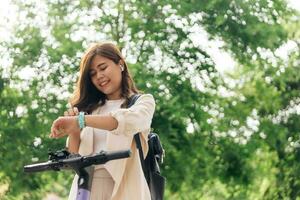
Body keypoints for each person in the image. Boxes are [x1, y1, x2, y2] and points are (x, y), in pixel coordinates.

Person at [49, 42, 154, 200]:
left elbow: (126, 122)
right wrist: (74, 130)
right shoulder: (90, 109)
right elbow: (73, 155)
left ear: (120, 64)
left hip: (126, 188)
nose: (99, 76)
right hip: (86, 188)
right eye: (92, 73)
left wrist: (81, 121)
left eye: (103, 68)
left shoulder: (143, 102)